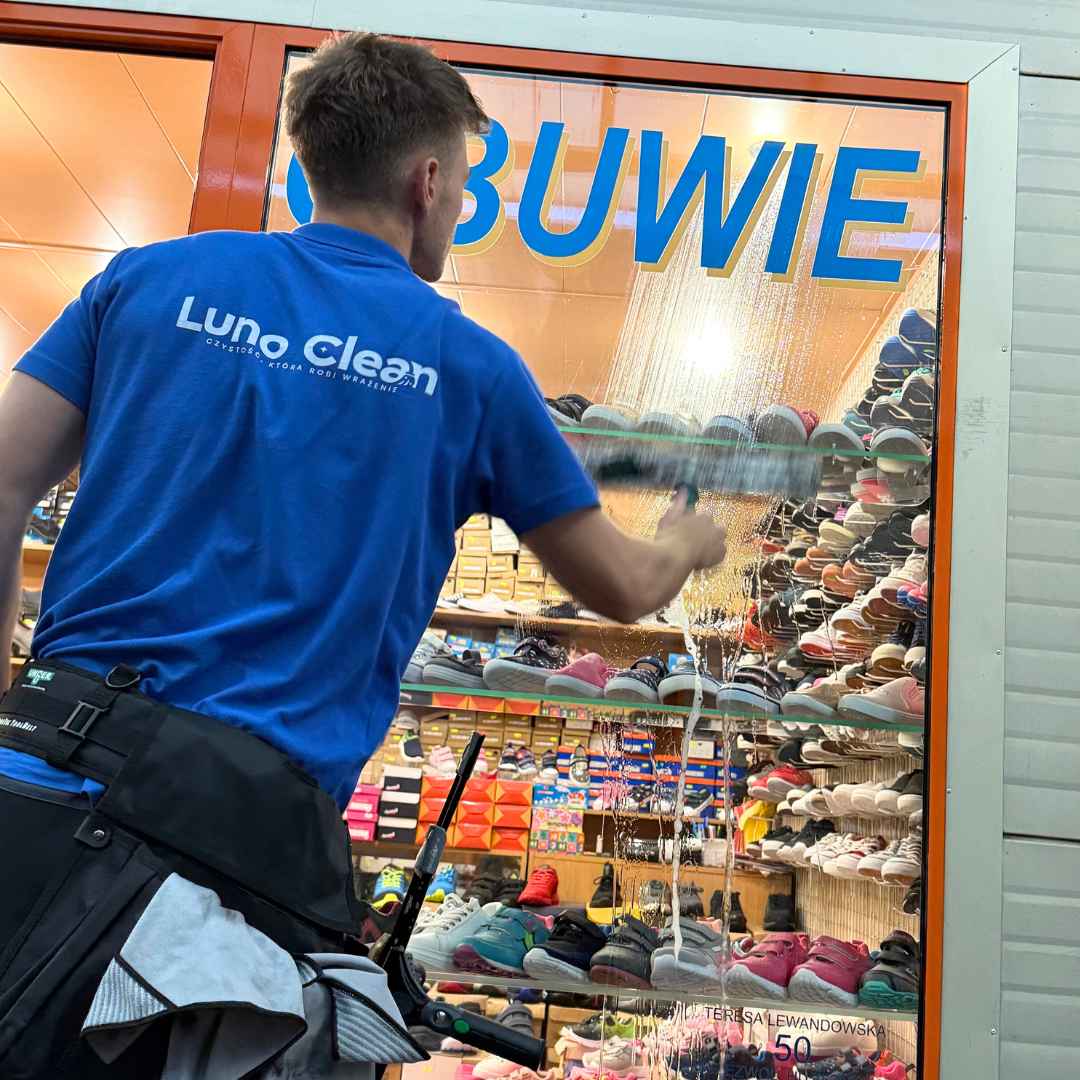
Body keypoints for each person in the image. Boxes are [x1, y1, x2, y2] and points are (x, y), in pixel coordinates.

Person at [0, 32, 726, 1078]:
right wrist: (688, 540)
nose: (459, 204)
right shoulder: (468, 366)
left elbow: (4, 479)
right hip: (231, 854)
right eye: (463, 183)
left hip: (40, 766)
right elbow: (622, 586)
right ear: (428, 182)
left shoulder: (149, 279)